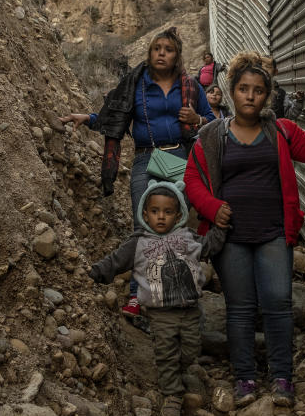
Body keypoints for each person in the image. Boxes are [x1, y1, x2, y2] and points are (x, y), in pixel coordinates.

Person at [184, 51, 305, 408]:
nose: (251, 96)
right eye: (244, 89)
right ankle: (245, 378)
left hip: (274, 233)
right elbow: (193, 180)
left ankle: (283, 378)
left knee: (279, 303)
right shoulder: (211, 135)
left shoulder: (282, 130)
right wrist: (212, 208)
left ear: (268, 95)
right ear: (232, 92)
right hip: (231, 237)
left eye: (259, 90)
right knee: (241, 307)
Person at [61, 26, 216, 318]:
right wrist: (88, 118)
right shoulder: (137, 83)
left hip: (182, 160)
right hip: (146, 159)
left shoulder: (191, 86)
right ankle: (137, 296)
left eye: (168, 50)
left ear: (177, 56)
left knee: (176, 228)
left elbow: (212, 121)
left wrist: (196, 118)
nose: (161, 53)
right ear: (150, 53)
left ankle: (174, 292)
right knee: (143, 227)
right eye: (157, 48)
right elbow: (115, 116)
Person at [88, 180, 226, 416]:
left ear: (178, 214)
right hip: (161, 313)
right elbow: (115, 261)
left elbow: (208, 247)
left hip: (190, 309)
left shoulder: (186, 237)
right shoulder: (138, 242)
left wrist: (221, 228)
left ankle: (176, 370)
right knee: (165, 351)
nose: (161, 217)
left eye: (167, 212)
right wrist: (94, 272)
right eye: (155, 211)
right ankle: (172, 394)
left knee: (191, 348)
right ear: (145, 213)